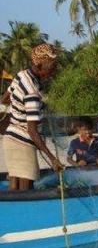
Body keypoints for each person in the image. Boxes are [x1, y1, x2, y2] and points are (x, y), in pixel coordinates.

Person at [0, 43, 64, 190]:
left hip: (10, 138)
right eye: (52, 67)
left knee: (14, 187)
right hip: (23, 142)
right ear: (40, 64)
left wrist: (20, 110)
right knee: (26, 189)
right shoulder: (32, 92)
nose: (54, 71)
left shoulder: (22, 75)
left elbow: (4, 99)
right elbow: (32, 131)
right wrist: (52, 158)